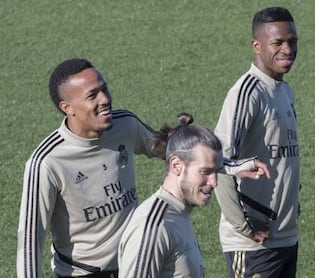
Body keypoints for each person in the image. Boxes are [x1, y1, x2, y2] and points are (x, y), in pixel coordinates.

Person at [16, 58, 167, 278]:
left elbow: (171, 151)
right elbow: (30, 237)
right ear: (67, 108)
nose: (105, 99)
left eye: (104, 89)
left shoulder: (125, 124)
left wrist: (221, 160)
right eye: (92, 95)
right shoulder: (47, 162)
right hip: (86, 273)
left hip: (138, 263)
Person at [118, 113, 270, 277]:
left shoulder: (178, 213)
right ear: (176, 165)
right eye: (205, 172)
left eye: (216, 171)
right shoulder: (154, 228)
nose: (214, 182)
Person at [214, 7, 300, 278]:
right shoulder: (246, 92)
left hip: (286, 236)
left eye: (292, 41)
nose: (287, 49)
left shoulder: (283, 90)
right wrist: (244, 227)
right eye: (277, 43)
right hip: (253, 246)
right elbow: (218, 162)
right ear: (257, 46)